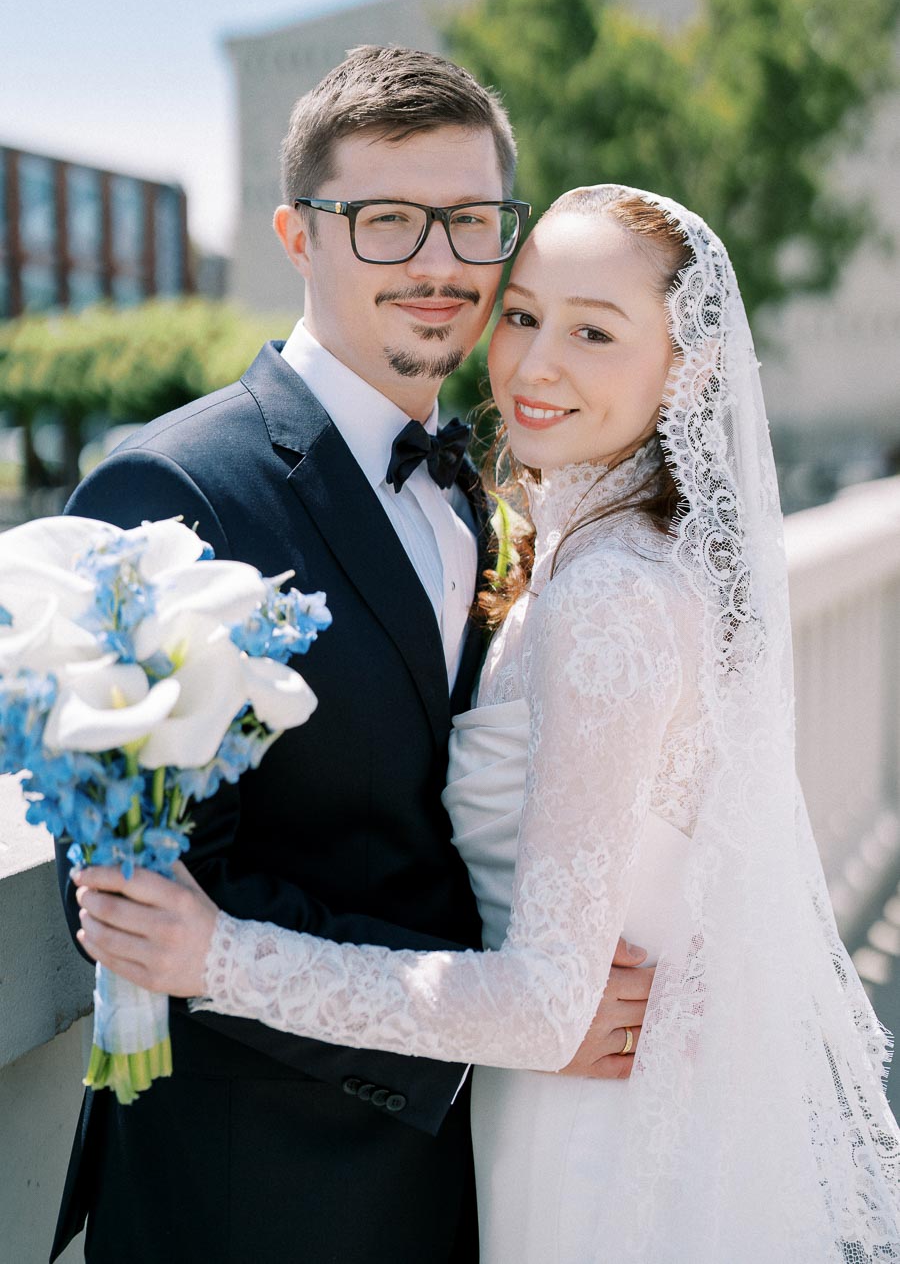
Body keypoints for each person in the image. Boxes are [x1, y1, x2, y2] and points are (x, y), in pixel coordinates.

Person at [77, 183, 900, 1261]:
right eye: (521, 315)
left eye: (594, 331)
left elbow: (546, 1009)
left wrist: (219, 953)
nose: (533, 363)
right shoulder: (571, 547)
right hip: (553, 1110)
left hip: (592, 1136)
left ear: (688, 367)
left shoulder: (615, 597)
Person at [51, 53, 654, 1264]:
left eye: (474, 223)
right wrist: (507, 1022)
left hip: (465, 1180)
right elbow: (138, 904)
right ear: (296, 234)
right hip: (256, 1191)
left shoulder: (491, 490)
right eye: (386, 222)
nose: (439, 265)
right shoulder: (170, 491)